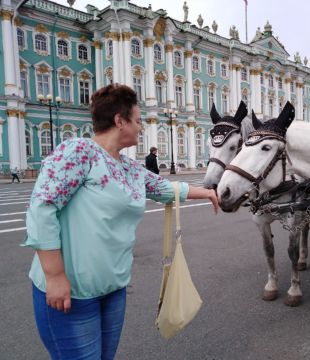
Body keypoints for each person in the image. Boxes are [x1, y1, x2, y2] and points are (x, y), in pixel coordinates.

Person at [23, 84, 219, 360]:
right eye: (137, 121)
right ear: (119, 120)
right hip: (72, 293)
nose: (141, 128)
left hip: (113, 290)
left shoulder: (129, 167)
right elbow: (42, 207)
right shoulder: (78, 151)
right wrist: (55, 276)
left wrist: (208, 192)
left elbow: (165, 189)